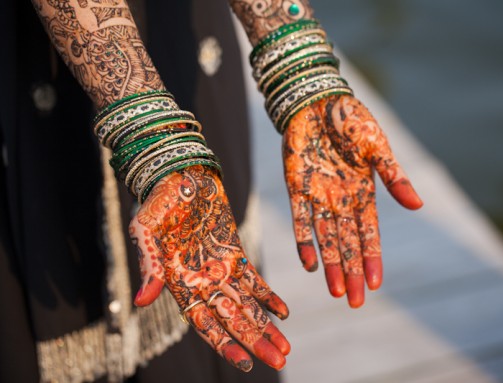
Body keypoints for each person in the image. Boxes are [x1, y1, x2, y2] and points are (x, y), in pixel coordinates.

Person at [0, 0, 422, 382]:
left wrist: (296, 59)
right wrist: (153, 139)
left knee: (213, 286)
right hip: (23, 72)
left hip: (181, 39)